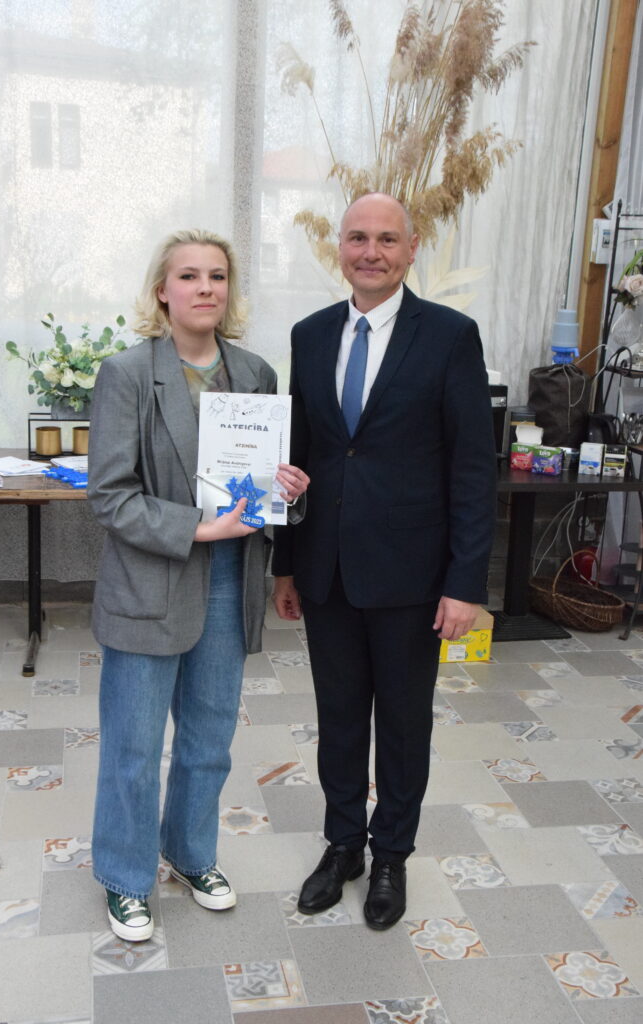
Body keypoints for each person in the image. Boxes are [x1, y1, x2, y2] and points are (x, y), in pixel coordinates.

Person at [273, 193, 496, 930]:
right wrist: (285, 565)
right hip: (326, 569)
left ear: (411, 248)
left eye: (387, 239)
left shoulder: (450, 336)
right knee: (338, 719)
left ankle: (391, 853)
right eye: (358, 238)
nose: (371, 252)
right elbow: (298, 456)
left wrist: (465, 583)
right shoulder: (309, 335)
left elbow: (472, 468)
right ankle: (343, 845)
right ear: (339, 246)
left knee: (402, 724)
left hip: (411, 574)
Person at [88, 228, 308, 942]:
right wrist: (198, 529)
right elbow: (110, 497)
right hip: (150, 583)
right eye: (189, 275)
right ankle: (126, 877)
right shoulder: (127, 374)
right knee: (133, 745)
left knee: (209, 740)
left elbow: (264, 489)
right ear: (163, 290)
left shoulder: (255, 375)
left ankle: (189, 854)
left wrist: (288, 489)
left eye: (217, 275)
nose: (205, 287)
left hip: (230, 583)